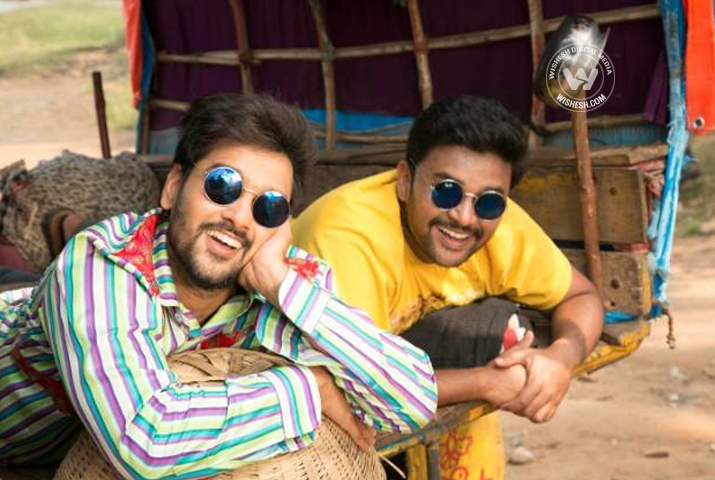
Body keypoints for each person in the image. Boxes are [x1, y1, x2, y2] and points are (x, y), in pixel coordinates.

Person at [0, 94, 438, 479]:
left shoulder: (282, 285)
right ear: (174, 187)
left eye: (268, 207)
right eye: (222, 186)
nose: (240, 218)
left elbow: (414, 400)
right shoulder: (105, 264)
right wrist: (311, 388)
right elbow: (147, 442)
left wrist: (283, 286)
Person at [293, 95, 604, 479]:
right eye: (446, 191)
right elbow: (355, 391)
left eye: (489, 202)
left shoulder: (502, 226)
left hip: (391, 357)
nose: (463, 217)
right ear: (404, 180)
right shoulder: (348, 237)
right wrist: (486, 383)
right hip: (315, 387)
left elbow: (580, 295)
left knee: (499, 331)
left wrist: (562, 357)